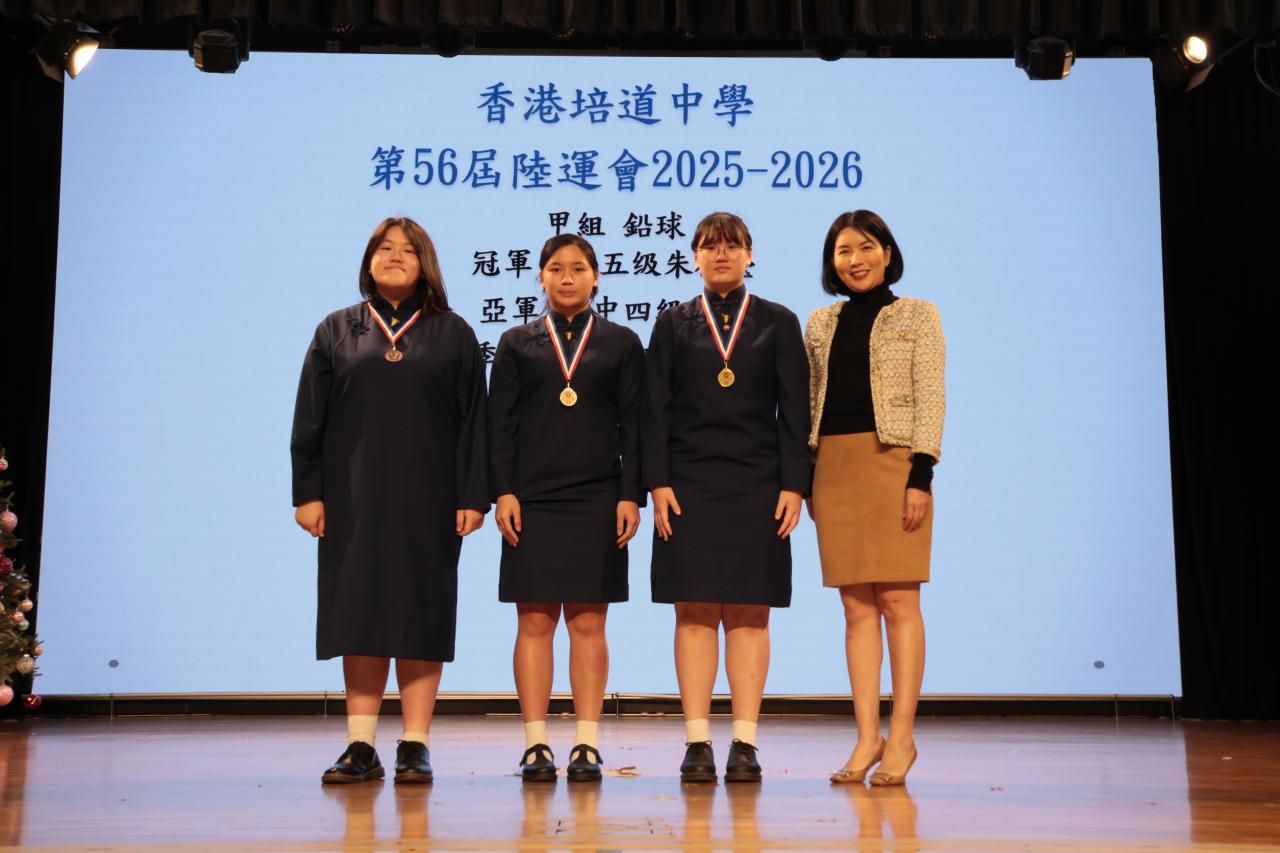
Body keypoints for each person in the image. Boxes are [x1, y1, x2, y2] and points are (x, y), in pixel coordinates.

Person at [291, 216, 489, 784]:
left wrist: (473, 495)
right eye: (385, 247)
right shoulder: (337, 329)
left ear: (426, 264)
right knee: (359, 611)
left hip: (431, 498)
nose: (395, 256)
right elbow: (309, 418)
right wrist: (308, 493)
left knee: (422, 612)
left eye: (408, 249)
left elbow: (475, 422)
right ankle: (360, 745)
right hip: (351, 498)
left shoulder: (453, 333)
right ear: (369, 260)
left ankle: (415, 744)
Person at [642, 211, 811, 784]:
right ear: (694, 256)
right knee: (692, 610)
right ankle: (696, 741)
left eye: (732, 245)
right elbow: (654, 410)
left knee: (749, 611)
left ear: (749, 255)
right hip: (687, 485)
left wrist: (794, 484)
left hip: (759, 485)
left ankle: (744, 741)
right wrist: (657, 482)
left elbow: (795, 412)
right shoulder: (672, 324)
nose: (721, 254)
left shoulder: (779, 322)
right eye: (710, 246)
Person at [488, 234, 644, 782]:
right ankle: (535, 744)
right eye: (556, 268)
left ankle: (586, 743)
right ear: (541, 278)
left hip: (599, 497)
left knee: (588, 622)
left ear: (596, 277)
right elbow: (500, 425)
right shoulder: (516, 342)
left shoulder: (622, 342)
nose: (568, 277)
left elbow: (636, 425)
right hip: (531, 500)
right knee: (534, 620)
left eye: (579, 268)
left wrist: (630, 494)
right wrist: (503, 491)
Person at [804, 210, 945, 787]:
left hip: (895, 462)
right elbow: (809, 398)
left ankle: (903, 738)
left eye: (866, 247)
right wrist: (806, 475)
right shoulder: (819, 322)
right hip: (833, 467)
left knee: (898, 602)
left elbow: (931, 395)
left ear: (887, 252)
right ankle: (868, 737)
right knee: (855, 609)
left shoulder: (919, 313)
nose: (855, 260)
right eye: (843, 251)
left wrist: (921, 474)